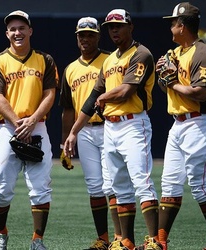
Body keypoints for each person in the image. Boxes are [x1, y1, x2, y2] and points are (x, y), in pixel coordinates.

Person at [64, 9, 161, 250]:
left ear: (130, 27)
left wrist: (104, 97)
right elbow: (91, 99)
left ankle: (154, 241)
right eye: (110, 27)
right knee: (118, 186)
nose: (114, 30)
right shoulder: (109, 61)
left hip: (133, 123)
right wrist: (74, 132)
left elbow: (126, 90)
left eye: (119, 26)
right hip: (111, 127)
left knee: (142, 180)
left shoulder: (141, 54)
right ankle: (126, 240)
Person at [155, 2, 206, 250]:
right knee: (170, 183)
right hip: (178, 124)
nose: (170, 26)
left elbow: (199, 92)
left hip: (202, 122)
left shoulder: (202, 53)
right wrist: (163, 79)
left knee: (198, 185)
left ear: (182, 25)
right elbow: (164, 81)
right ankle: (160, 241)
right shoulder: (176, 53)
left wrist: (172, 84)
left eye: (173, 22)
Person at [0, 10, 59, 250]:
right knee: (1, 188)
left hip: (38, 126)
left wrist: (33, 119)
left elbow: (50, 93)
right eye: (13, 29)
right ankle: (1, 233)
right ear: (7, 33)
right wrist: (18, 122)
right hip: (7, 128)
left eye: (21, 28)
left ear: (30, 31)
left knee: (40, 187)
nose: (17, 32)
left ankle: (37, 240)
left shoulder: (45, 60)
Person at [60, 17, 121, 250]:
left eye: (90, 34)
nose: (85, 39)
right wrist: (65, 140)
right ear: (77, 38)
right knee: (95, 186)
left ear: (98, 36)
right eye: (81, 35)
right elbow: (67, 108)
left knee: (112, 184)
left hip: (108, 127)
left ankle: (119, 238)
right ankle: (104, 239)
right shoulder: (70, 69)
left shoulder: (110, 60)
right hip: (83, 131)